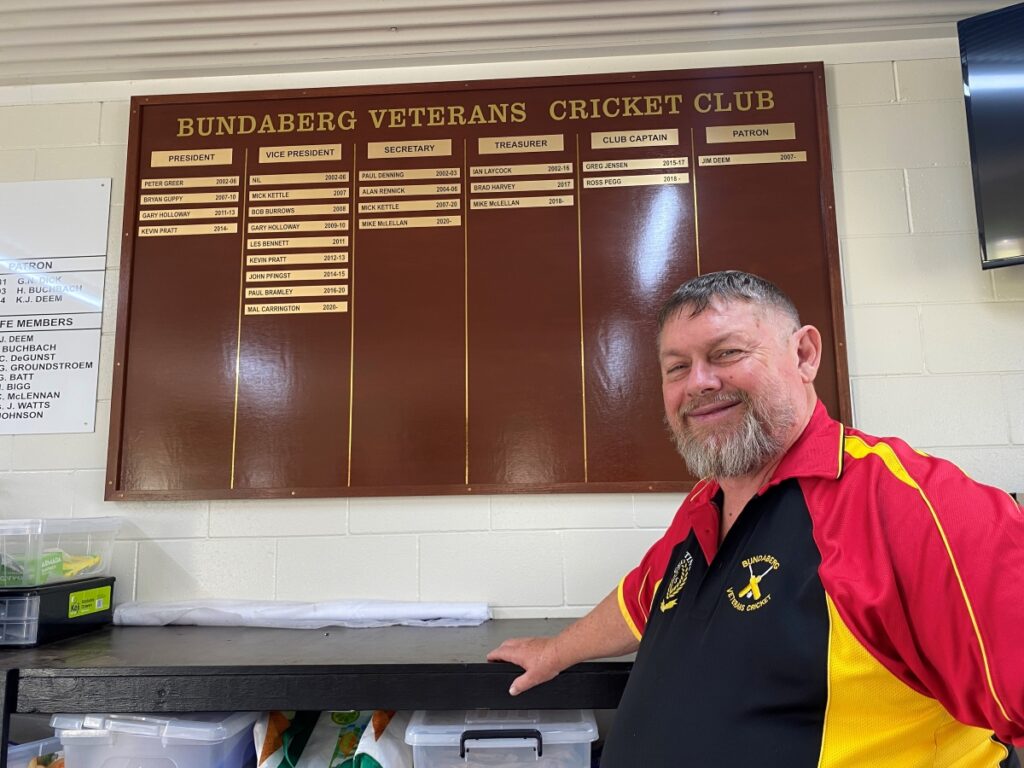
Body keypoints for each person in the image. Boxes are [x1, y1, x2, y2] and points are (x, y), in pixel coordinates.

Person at [488, 270, 1024, 767]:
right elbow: (643, 598)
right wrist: (555, 650)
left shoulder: (909, 505)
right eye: (677, 367)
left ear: (805, 354)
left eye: (727, 353)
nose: (698, 382)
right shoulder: (706, 503)